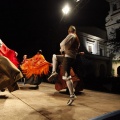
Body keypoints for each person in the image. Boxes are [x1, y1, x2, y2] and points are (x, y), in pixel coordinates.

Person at [48, 25, 80, 105]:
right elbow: (73, 49)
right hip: (70, 57)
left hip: (68, 58)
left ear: (69, 31)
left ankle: (72, 95)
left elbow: (62, 43)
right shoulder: (77, 39)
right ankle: (54, 72)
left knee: (67, 77)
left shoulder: (71, 35)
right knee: (55, 56)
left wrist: (62, 50)